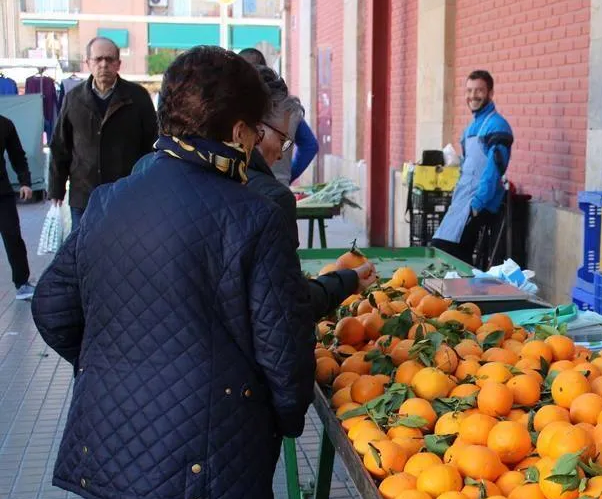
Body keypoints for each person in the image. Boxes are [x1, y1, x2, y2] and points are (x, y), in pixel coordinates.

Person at [31, 46, 313, 499]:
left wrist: (115, 367)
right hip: (213, 451)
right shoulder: (251, 216)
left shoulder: (109, 200)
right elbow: (281, 351)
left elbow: (53, 308)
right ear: (239, 131)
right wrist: (285, 419)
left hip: (113, 439)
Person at [131, 64, 374, 316]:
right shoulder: (268, 200)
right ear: (248, 129)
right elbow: (283, 308)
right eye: (281, 140)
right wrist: (343, 283)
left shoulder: (137, 180)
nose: (281, 152)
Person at [48, 37, 158, 230]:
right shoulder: (73, 99)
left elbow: (152, 144)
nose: (104, 65)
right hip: (84, 196)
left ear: (118, 64)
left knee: (125, 252)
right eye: (98, 59)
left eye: (109, 59)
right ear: (88, 63)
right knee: (82, 252)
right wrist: (56, 189)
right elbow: (60, 146)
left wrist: (149, 186)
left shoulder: (137, 97)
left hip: (125, 194)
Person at [430, 70, 513, 264]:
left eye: (479, 91)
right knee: (449, 256)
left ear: (490, 93)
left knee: (446, 253)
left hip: (478, 204)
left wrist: (477, 205)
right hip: (461, 202)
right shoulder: (469, 130)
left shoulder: (497, 126)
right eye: (469, 91)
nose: (473, 96)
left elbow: (494, 171)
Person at [238, 48, 319, 185]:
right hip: (277, 184)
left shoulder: (231, 110)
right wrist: (286, 176)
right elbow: (310, 146)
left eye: (284, 142)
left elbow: (310, 146)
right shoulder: (287, 110)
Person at [0, 114, 35, 300]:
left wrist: (25, 182)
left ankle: (22, 283)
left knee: (12, 236)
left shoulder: (5, 124)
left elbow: (17, 155)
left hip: (2, 194)